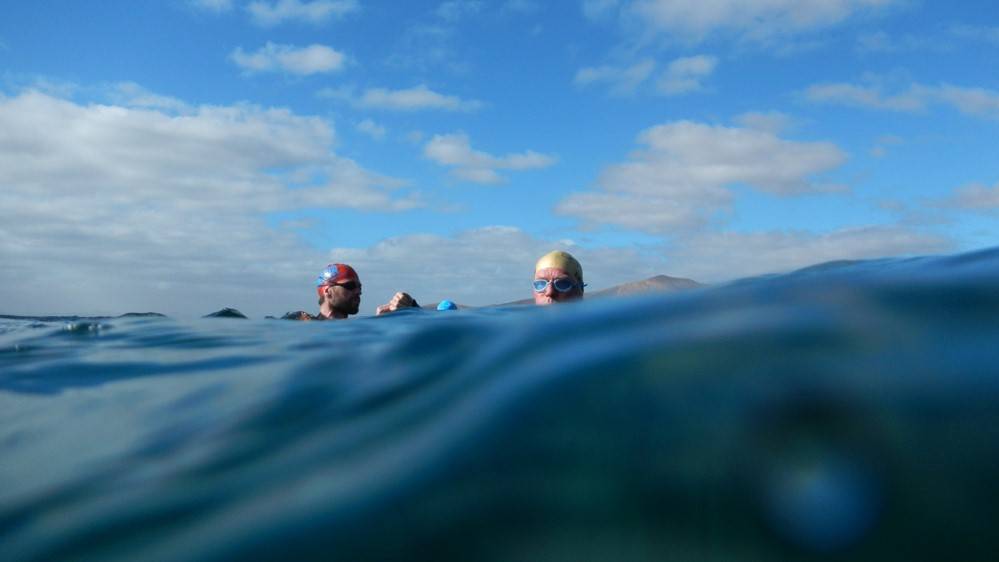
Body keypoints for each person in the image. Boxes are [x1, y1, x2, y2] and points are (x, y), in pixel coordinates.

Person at [283, 263, 363, 320]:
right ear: (328, 291)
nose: (358, 292)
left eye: (359, 287)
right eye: (350, 286)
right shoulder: (302, 322)